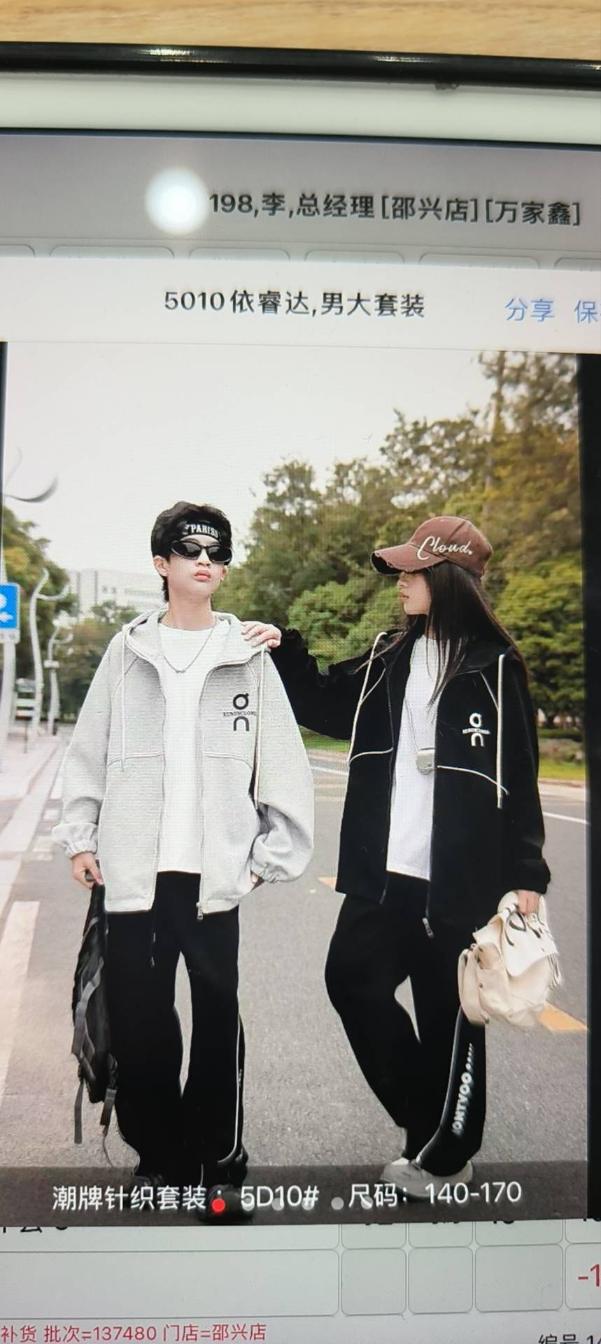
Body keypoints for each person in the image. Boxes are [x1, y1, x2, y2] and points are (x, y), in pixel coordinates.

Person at [243, 515, 550, 1199]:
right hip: (383, 875)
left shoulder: (496, 668)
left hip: (458, 881)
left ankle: (443, 1157)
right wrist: (283, 649)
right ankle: (426, 1124)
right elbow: (324, 704)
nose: (400, 584)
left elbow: (520, 774)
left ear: (447, 578)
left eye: (411, 572)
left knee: (449, 1017)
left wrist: (526, 870)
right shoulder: (388, 656)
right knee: (350, 980)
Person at [53, 501, 314, 1217]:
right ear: (161, 563)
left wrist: (264, 858)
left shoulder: (247, 655)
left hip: (211, 879)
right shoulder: (127, 650)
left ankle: (220, 1161)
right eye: (190, 550)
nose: (205, 561)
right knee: (141, 1025)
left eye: (217, 552)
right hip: (132, 874)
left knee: (217, 1019)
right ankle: (159, 1157)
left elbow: (282, 763)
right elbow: (89, 749)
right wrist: (82, 836)